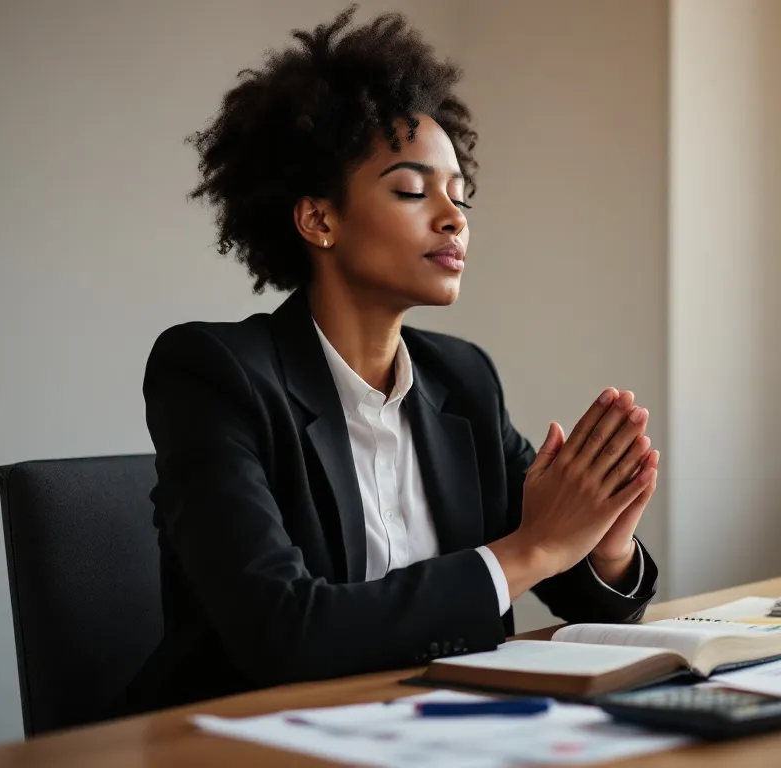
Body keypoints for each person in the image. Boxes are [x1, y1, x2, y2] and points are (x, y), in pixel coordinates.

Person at [120, 7, 661, 714]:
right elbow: (284, 633)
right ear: (320, 220)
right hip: (252, 741)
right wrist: (537, 548)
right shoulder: (213, 373)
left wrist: (603, 540)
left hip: (440, 731)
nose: (453, 217)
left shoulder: (461, 380)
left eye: (460, 197)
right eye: (413, 190)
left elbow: (591, 606)